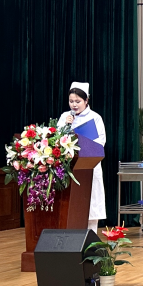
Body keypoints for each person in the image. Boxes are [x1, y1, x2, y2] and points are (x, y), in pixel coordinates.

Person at [58, 82, 106, 233]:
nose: (74, 105)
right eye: (71, 101)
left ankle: (92, 237)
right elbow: (56, 139)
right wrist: (65, 126)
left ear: (86, 100)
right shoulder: (64, 117)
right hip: (70, 167)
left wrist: (83, 141)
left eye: (78, 101)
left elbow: (101, 142)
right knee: (72, 205)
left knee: (91, 204)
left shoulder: (95, 118)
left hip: (89, 165)